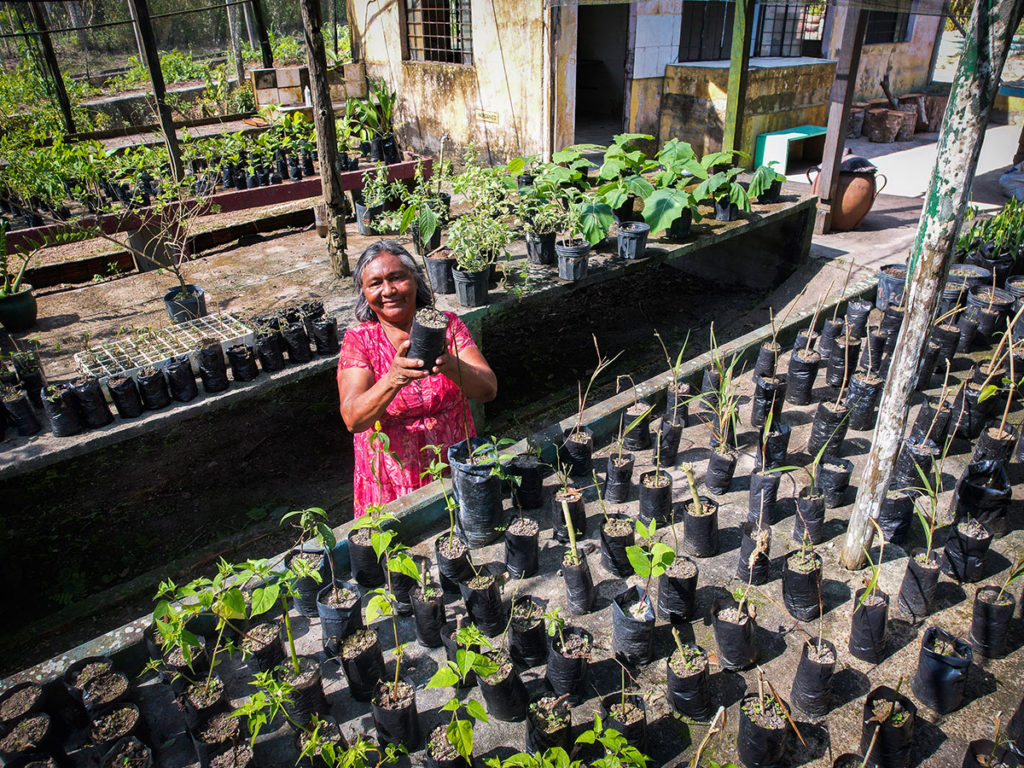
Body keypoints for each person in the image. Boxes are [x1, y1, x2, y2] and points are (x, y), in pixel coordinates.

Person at [338, 240, 498, 517]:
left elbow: (487, 390)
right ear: (364, 293)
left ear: (415, 281)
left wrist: (448, 363)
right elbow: (354, 419)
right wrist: (392, 378)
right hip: (392, 480)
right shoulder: (360, 341)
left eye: (397, 277)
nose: (388, 291)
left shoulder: (448, 325)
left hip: (454, 465)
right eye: (375, 283)